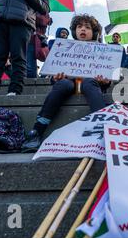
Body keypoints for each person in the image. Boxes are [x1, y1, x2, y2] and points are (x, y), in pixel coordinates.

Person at [22, 14, 111, 151]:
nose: (83, 29)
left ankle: (103, 128)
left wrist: (105, 81)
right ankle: (37, 130)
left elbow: (106, 78)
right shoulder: (64, 47)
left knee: (89, 83)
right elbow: (54, 71)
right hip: (69, 83)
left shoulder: (102, 50)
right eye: (79, 26)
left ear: (94, 32)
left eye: (87, 27)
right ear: (74, 31)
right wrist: (55, 78)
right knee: (63, 84)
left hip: (89, 84)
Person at [27, 13, 52, 78]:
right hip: (31, 39)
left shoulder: (45, 12)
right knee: (30, 64)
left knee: (31, 64)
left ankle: (32, 81)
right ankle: (30, 82)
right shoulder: (34, 8)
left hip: (38, 39)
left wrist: (48, 20)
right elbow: (37, 19)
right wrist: (47, 20)